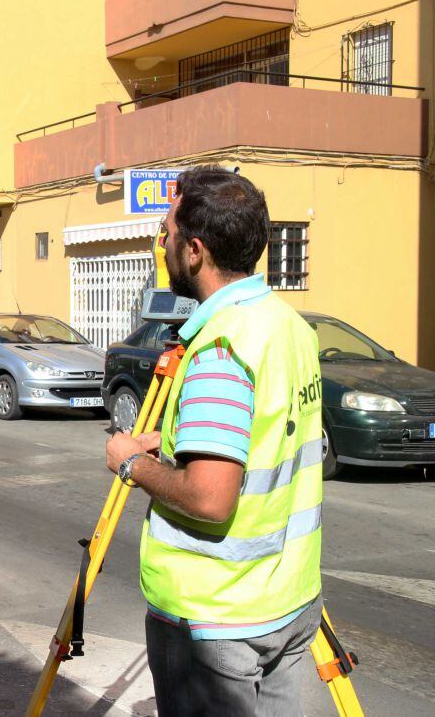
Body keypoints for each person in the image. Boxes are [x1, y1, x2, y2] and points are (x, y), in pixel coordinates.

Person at [106, 166, 324, 716]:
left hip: (216, 618)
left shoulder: (220, 348)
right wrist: (179, 443)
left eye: (169, 233)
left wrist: (134, 464)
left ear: (196, 250)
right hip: (290, 603)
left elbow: (210, 497)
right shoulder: (288, 326)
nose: (165, 243)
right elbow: (271, 437)